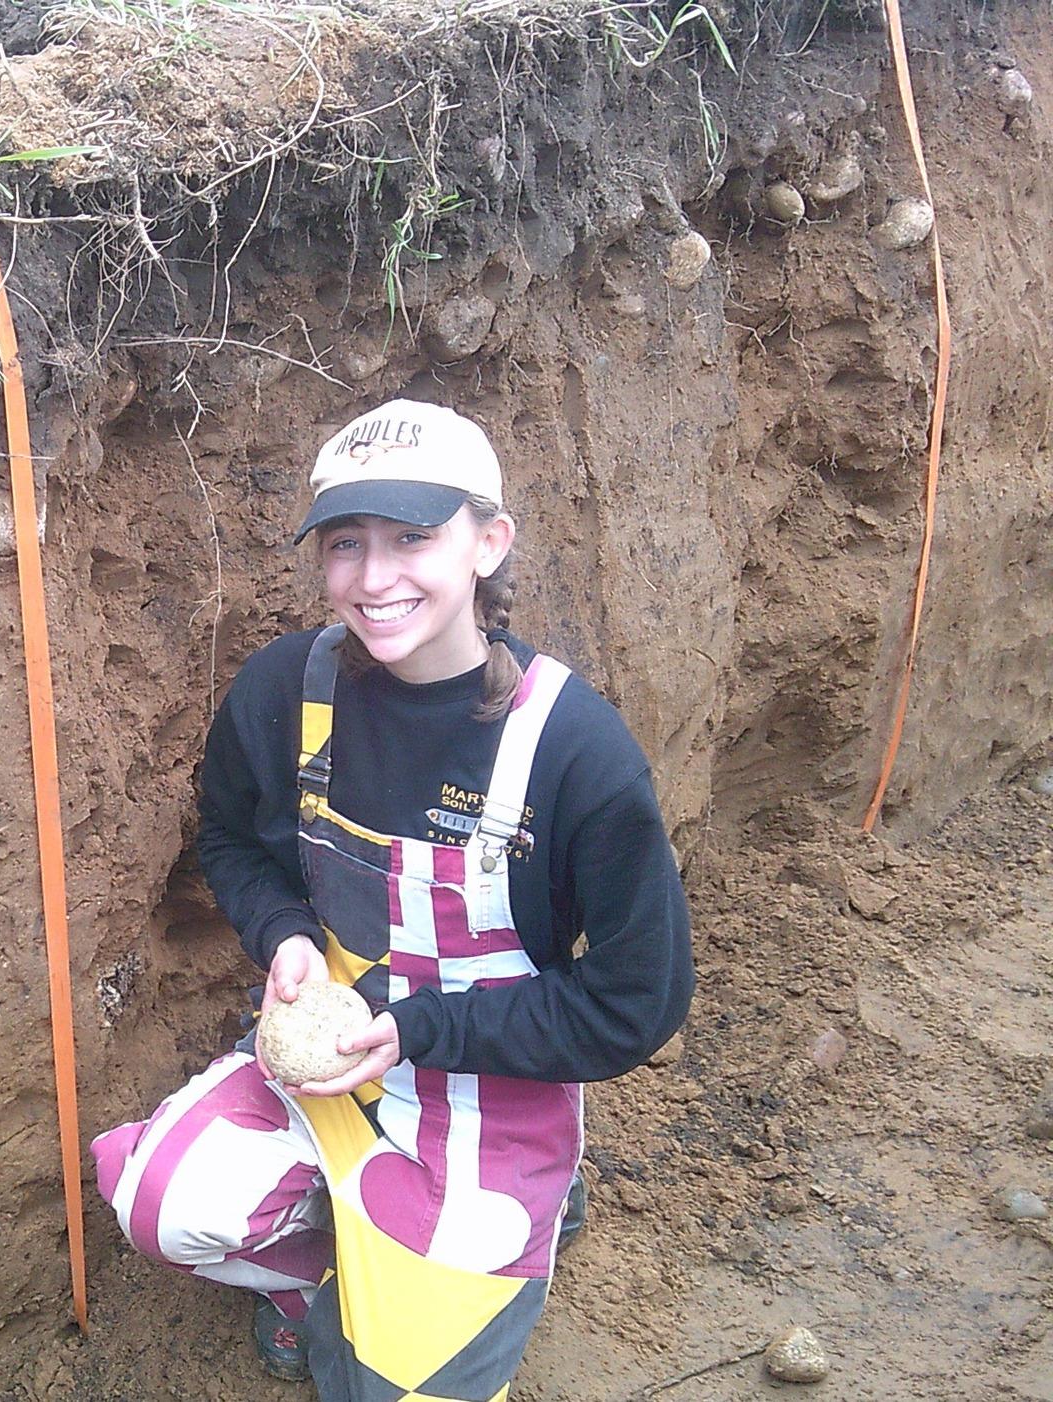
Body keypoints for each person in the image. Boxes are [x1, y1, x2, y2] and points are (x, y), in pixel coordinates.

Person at [91, 398, 694, 1397]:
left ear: (486, 542)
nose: (372, 579)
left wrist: (417, 1030)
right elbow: (231, 842)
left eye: (412, 537)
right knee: (156, 1202)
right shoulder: (287, 689)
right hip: (329, 1067)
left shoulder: (571, 749)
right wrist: (283, 932)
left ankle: (536, 1202)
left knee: (379, 1387)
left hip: (484, 1089)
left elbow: (633, 1003)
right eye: (345, 543)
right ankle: (318, 1272)